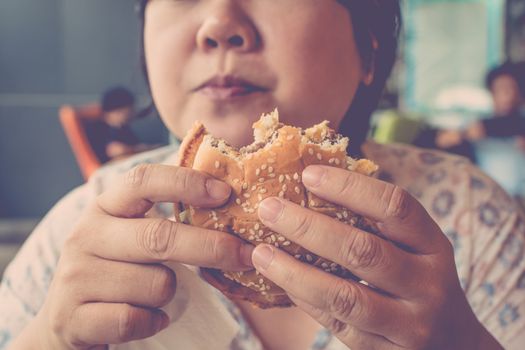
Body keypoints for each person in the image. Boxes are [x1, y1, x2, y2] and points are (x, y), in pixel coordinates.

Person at [2, 1, 524, 349]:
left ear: (369, 47)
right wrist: (50, 335)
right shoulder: (84, 227)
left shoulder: (472, 217)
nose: (218, 25)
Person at [88, 86, 156, 163]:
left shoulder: (122, 128)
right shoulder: (99, 129)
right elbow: (115, 150)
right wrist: (138, 149)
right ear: (118, 111)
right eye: (129, 111)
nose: (132, 114)